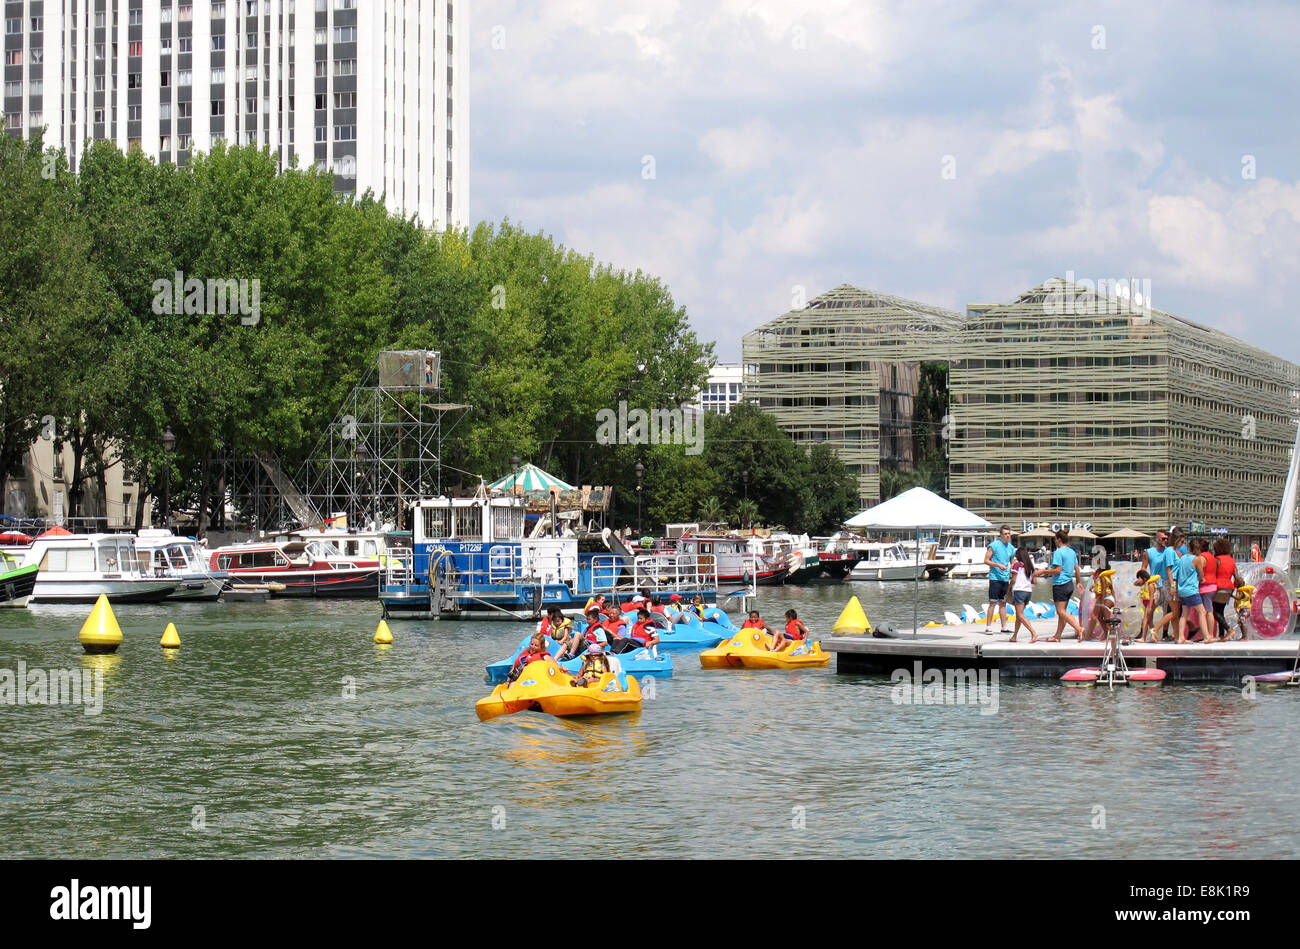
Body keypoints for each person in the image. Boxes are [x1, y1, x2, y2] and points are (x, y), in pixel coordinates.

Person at [1042, 529, 1085, 642]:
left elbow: (1057, 570)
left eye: (1055, 539)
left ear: (1059, 539)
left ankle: (1079, 629)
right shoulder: (1072, 552)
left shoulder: (1058, 552)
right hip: (1069, 584)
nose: (1055, 541)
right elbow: (1077, 569)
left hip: (1060, 584)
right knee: (1063, 612)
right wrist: (1079, 582)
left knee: (1060, 611)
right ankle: (1057, 636)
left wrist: (1042, 572)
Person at [1141, 529, 1177, 642]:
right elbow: (1143, 568)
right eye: (1163, 538)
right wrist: (1142, 581)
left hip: (1166, 585)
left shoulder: (1169, 551)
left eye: (1167, 538)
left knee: (1167, 612)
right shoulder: (1149, 552)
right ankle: (1144, 633)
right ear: (1157, 539)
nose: (1165, 540)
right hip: (1155, 586)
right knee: (1149, 610)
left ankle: (1164, 635)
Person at [1175, 538, 1211, 645]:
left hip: (1182, 590)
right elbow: (1201, 575)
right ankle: (1206, 636)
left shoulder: (1182, 558)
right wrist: (1202, 578)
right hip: (1192, 590)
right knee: (1202, 612)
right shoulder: (1196, 559)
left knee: (1184, 614)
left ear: (1189, 547)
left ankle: (1181, 637)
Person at [983, 525, 1016, 635]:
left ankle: (1004, 627)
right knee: (993, 602)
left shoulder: (1011, 548)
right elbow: (986, 560)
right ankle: (988, 626)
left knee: (1003, 603)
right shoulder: (994, 546)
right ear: (1001, 535)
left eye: (1008, 534)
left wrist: (1014, 570)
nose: (1007, 536)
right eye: (1005, 534)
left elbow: (1012, 562)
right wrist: (997, 565)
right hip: (995, 578)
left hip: (1005, 579)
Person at [1211, 538, 1244, 641]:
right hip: (1229, 588)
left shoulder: (1216, 560)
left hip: (1218, 587)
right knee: (1220, 611)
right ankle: (1221, 635)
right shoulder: (1232, 560)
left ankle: (1229, 630)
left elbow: (1214, 573)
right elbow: (1237, 577)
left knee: (1214, 611)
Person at [1007, 545, 1039, 643]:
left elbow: (1013, 579)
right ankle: (1014, 636)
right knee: (1019, 615)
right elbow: (1034, 581)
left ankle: (1033, 632)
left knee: (1020, 614)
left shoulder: (1017, 565)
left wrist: (1008, 590)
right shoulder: (1030, 566)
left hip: (1019, 591)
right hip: (1028, 591)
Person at [1197, 540, 1219, 641]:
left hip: (1205, 587)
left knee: (1207, 612)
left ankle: (1209, 634)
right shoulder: (1211, 556)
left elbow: (1199, 571)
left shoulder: (1201, 557)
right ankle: (1207, 634)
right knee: (1208, 611)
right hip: (1213, 585)